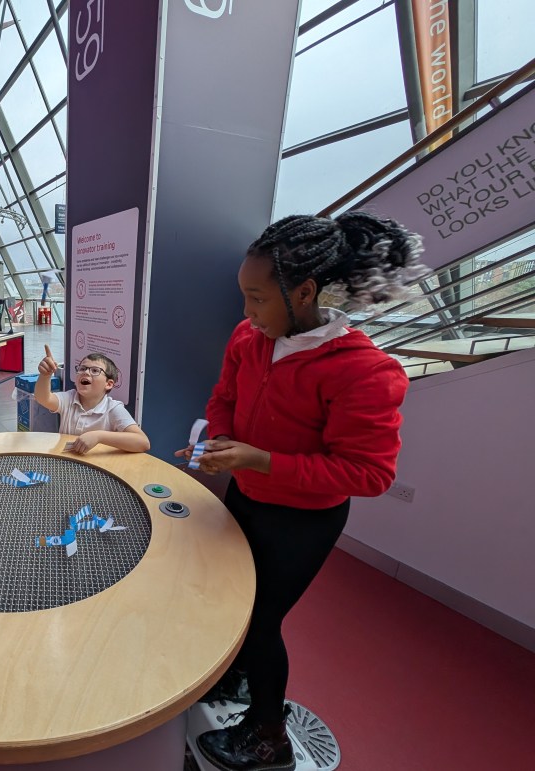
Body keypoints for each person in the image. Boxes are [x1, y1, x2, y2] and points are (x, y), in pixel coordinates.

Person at [176, 211, 428, 771]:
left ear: (305, 292)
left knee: (261, 622)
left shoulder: (365, 371)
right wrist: (222, 439)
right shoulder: (250, 337)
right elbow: (224, 397)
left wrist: (260, 460)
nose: (247, 312)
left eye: (257, 298)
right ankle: (237, 680)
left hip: (301, 523)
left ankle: (270, 737)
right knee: (231, 605)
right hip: (247, 498)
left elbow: (368, 473)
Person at [35, 347, 150, 455]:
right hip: (66, 460)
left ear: (109, 384)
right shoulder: (69, 398)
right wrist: (45, 375)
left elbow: (143, 442)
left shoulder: (112, 409)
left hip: (99, 465)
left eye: (95, 370)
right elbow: (43, 398)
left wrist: (99, 436)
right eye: (82, 368)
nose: (86, 372)